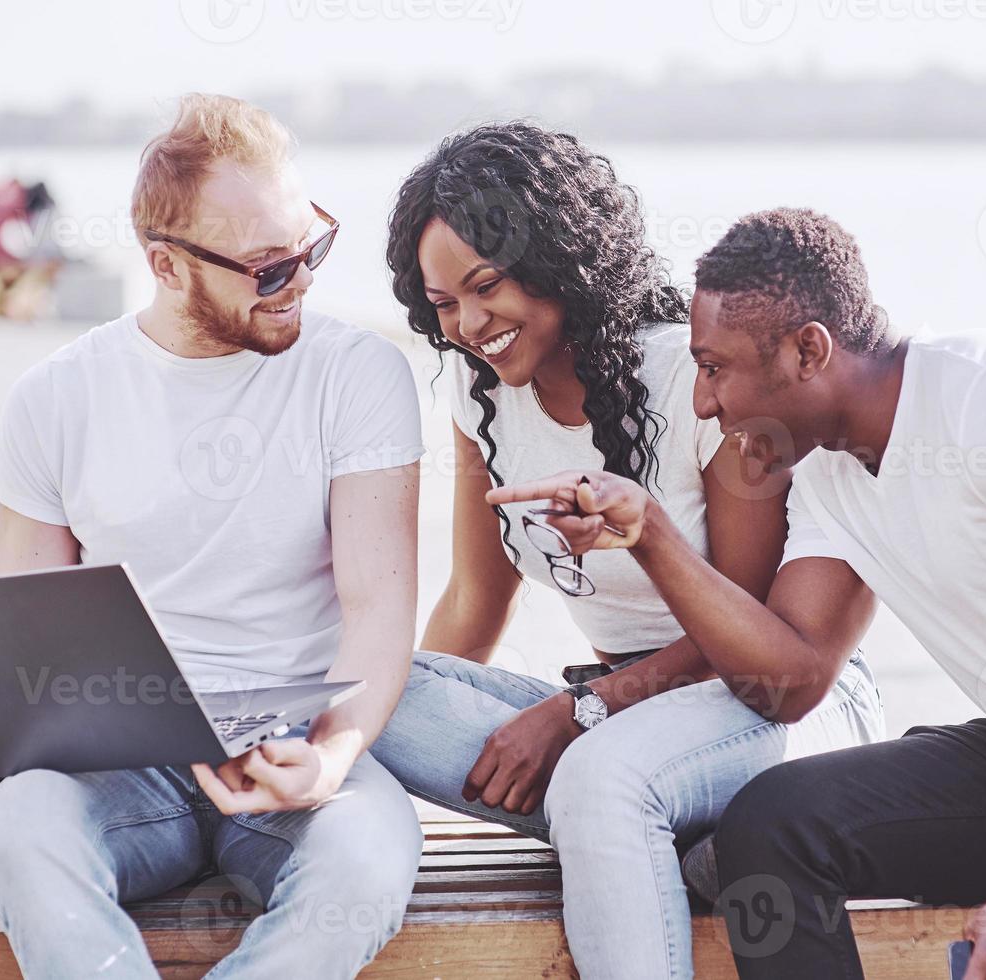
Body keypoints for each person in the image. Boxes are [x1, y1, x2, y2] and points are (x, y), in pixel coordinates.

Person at [488, 207, 986, 979]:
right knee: (769, 829)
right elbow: (790, 680)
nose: (704, 402)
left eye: (714, 368)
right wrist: (654, 537)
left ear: (809, 350)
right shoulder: (826, 469)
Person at [0, 94, 426, 978]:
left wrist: (333, 760)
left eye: (312, 246)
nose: (302, 279)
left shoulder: (359, 375)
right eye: (269, 267)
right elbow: (22, 623)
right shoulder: (58, 397)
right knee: (18, 828)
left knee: (369, 860)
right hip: (116, 767)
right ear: (167, 264)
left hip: (292, 749)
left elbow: (380, 605)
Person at [369, 124, 885, 980]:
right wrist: (402, 737)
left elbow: (751, 636)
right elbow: (473, 602)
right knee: (372, 688)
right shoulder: (479, 391)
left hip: (768, 704)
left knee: (599, 781)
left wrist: (585, 713)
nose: (468, 325)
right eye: (443, 304)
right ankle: (686, 841)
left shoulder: (694, 380)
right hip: (619, 717)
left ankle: (662, 824)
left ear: (557, 256)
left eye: (486, 285)